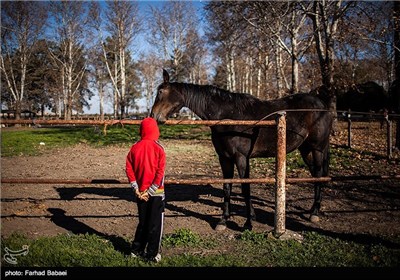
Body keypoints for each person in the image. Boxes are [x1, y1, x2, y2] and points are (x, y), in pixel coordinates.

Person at [125, 117, 166, 263]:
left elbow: (129, 169)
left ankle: (136, 250)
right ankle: (152, 254)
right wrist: (150, 191)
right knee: (155, 224)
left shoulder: (134, 147)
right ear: (155, 130)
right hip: (155, 193)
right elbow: (160, 173)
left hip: (140, 194)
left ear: (141, 130)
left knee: (143, 222)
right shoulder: (159, 148)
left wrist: (136, 189)